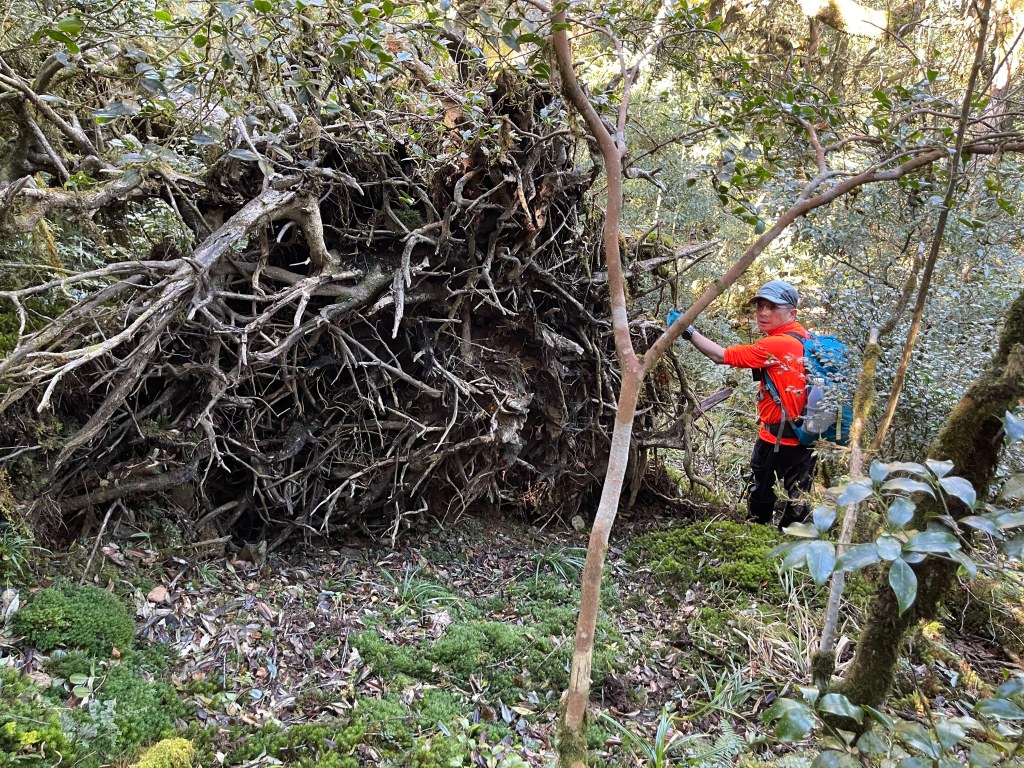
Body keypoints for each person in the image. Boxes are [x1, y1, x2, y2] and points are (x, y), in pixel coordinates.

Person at [667, 280, 815, 529]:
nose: (763, 313)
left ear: (792, 313)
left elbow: (719, 355)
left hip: (777, 441)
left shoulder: (778, 344)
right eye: (760, 306)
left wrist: (687, 329)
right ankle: (789, 544)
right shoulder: (806, 338)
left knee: (762, 496)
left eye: (772, 307)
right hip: (807, 437)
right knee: (798, 499)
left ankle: (756, 534)